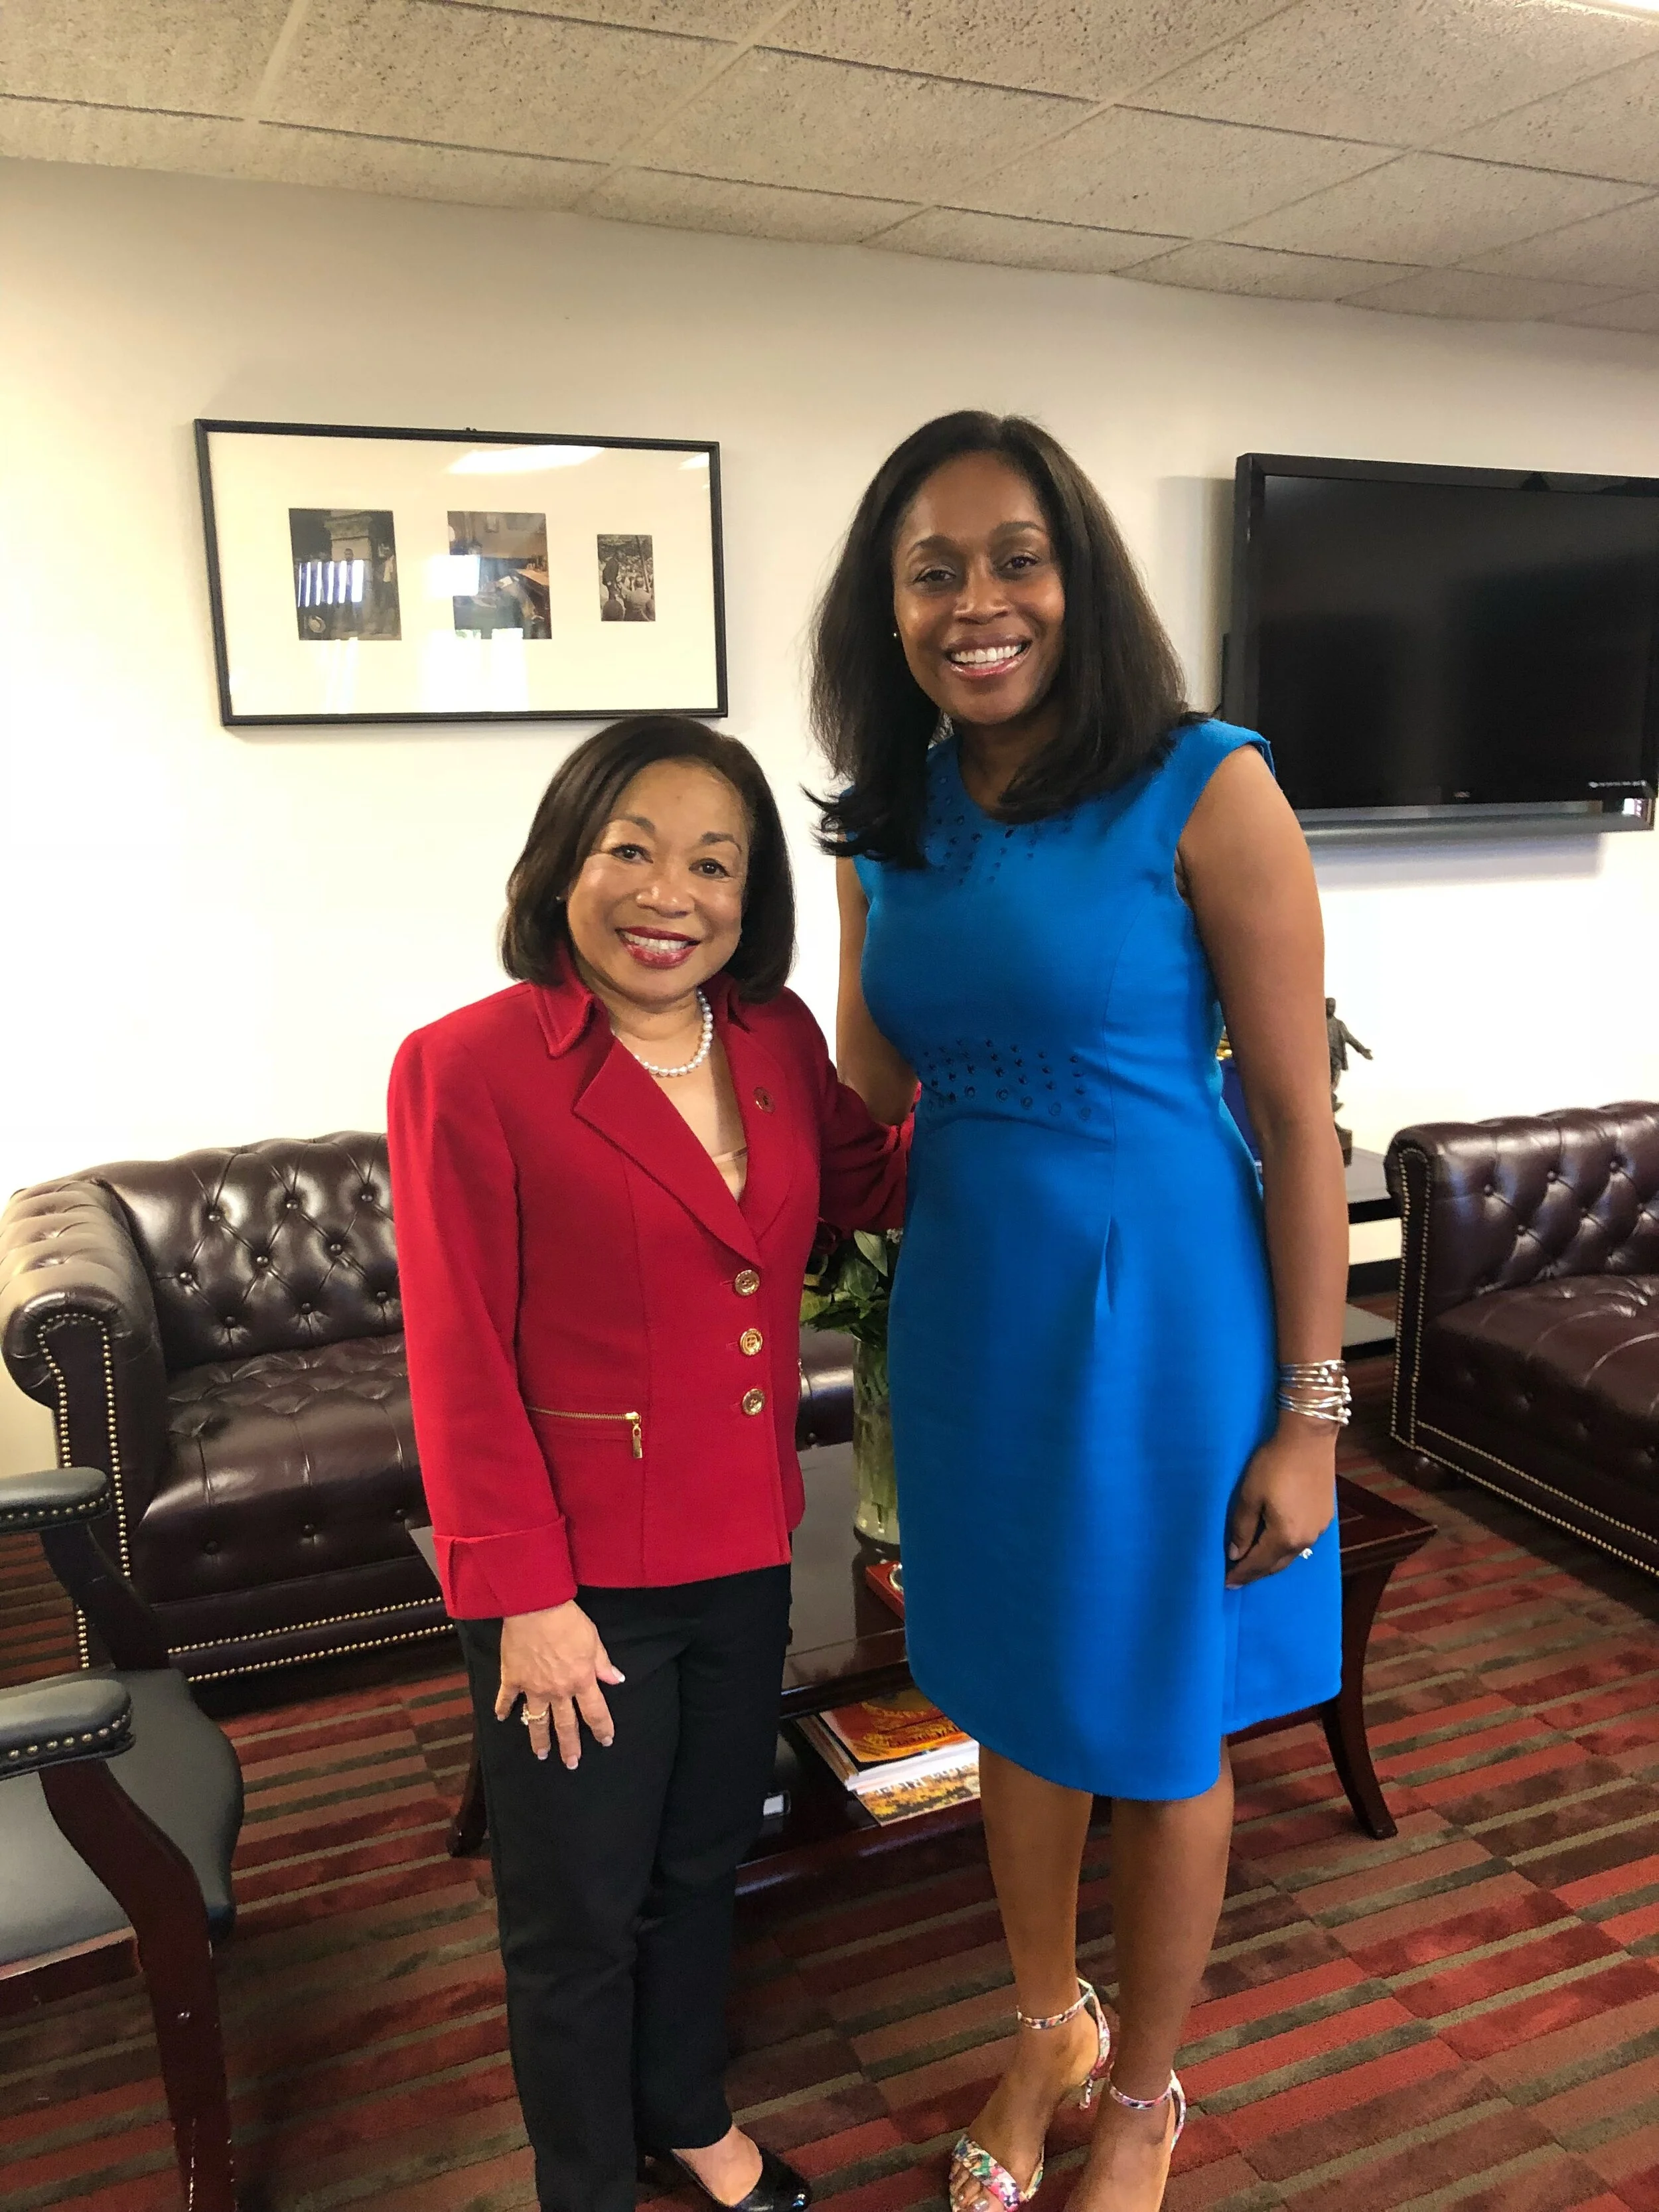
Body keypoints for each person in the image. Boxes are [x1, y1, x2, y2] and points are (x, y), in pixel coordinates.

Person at [816, 413, 1347, 2212]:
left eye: (1014, 555)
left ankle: (1144, 2097)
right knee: (1011, 1692)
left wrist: (1308, 1413)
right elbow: (874, 1078)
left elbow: (1293, 1120)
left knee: (1152, 1708)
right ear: (886, 612)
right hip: (972, 1306)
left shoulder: (1207, 783)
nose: (978, 600)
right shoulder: (890, 817)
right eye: (932, 569)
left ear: (1080, 577)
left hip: (1163, 1314)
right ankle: (1044, 2019)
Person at [388, 715, 906, 2212]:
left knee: (701, 1866)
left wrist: (1037, 1069)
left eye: (712, 862)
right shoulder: (465, 1067)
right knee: (574, 1913)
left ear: (752, 899)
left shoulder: (772, 1040)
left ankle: (685, 2110)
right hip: (576, 1583)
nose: (666, 892)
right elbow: (458, 1355)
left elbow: (875, 1178)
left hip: (745, 1539)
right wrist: (525, 1598)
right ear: (565, 860)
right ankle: (582, 2181)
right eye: (630, 848)